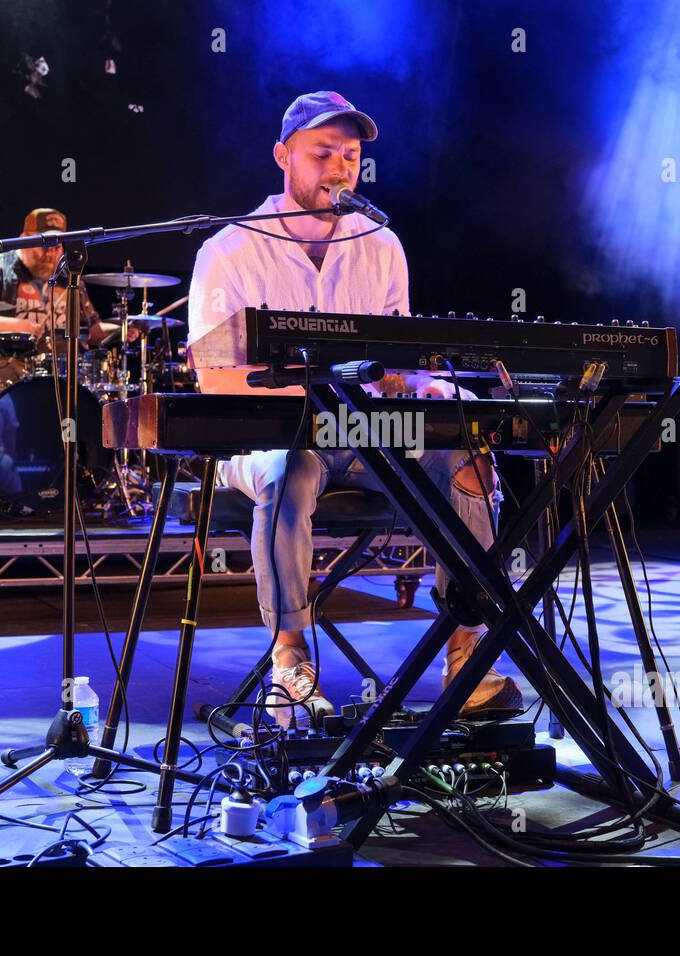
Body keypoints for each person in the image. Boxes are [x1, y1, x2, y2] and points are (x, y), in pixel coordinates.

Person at [187, 91, 523, 727]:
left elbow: (393, 365)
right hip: (265, 436)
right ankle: (289, 662)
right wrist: (320, 399)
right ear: (282, 156)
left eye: (350, 155)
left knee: (463, 450)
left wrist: (423, 387)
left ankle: (466, 657)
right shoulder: (229, 251)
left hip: (365, 431)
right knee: (290, 467)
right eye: (322, 154)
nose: (340, 168)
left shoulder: (382, 246)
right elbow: (216, 378)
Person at [0, 208, 129, 393]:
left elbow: (91, 330)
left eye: (57, 246)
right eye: (44, 244)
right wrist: (21, 325)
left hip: (62, 371)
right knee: (0, 396)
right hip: (5, 365)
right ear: (23, 239)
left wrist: (123, 329)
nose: (50, 252)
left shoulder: (71, 279)